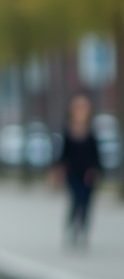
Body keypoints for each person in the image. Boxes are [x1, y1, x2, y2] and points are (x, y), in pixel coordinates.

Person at [51, 94, 101, 248]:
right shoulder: (68, 131)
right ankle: (71, 229)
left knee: (86, 204)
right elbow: (63, 154)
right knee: (76, 201)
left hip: (88, 175)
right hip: (73, 173)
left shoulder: (91, 132)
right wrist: (56, 170)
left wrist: (96, 170)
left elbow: (96, 155)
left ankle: (83, 233)